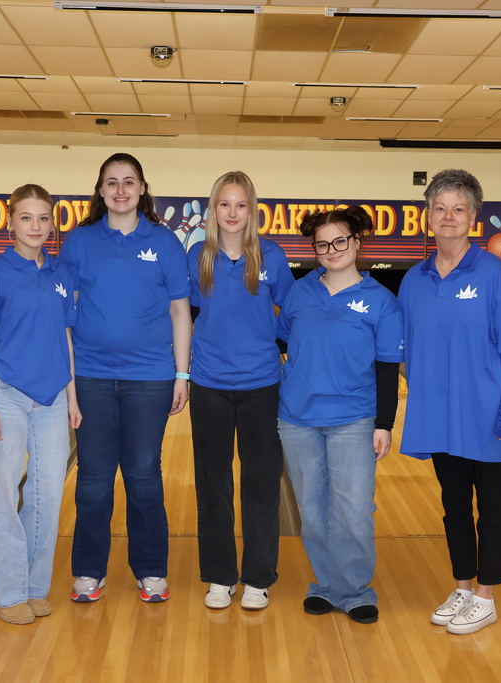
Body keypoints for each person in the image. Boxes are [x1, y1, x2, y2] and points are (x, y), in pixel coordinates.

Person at [398, 169, 501, 635]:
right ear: (427, 216)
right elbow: (404, 352)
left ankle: (487, 597)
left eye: (458, 209)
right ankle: (462, 586)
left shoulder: (494, 275)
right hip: (439, 418)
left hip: (486, 414)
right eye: (440, 208)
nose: (448, 217)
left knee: (491, 508)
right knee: (454, 507)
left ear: (473, 217)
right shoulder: (414, 280)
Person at [60, 153, 191, 604]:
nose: (120, 189)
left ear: (142, 189)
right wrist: (70, 381)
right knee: (94, 477)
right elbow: (65, 317)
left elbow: (179, 311)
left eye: (128, 182)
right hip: (93, 376)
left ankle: (151, 569)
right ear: (100, 190)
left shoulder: (166, 243)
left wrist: (181, 373)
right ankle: (89, 571)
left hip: (150, 378)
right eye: (111, 182)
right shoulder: (78, 243)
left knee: (142, 474)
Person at [277, 206, 403, 625]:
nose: (331, 250)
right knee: (312, 509)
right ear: (313, 249)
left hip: (355, 417)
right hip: (297, 417)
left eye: (340, 241)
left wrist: (384, 423)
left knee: (352, 508)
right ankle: (326, 586)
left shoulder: (382, 301)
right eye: (322, 244)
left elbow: (388, 367)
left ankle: (354, 591)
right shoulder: (299, 291)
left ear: (357, 242)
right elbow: (280, 342)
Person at [0, 183, 81, 625]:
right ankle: (6, 591)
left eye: (43, 218)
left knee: (47, 496)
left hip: (52, 398)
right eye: (27, 218)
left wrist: (71, 396)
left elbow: (66, 338)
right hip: (7, 394)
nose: (36, 226)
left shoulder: (61, 274)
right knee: (1, 493)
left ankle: (33, 588)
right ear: (10, 222)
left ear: (52, 224)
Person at [188, 171, 295, 610]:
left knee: (262, 485)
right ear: (214, 210)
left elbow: (291, 311)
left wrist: (274, 349)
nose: (232, 213)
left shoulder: (270, 254)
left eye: (241, 205)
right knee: (213, 483)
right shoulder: (197, 256)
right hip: (209, 384)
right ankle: (219, 576)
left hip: (262, 386)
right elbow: (188, 313)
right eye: (224, 204)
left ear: (252, 211)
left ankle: (257, 577)